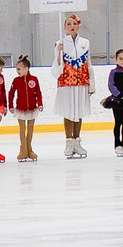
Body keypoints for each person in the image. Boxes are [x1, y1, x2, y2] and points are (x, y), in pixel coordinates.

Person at [51, 15, 92, 159]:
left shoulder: (85, 43)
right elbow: (55, 69)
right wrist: (59, 52)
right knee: (68, 112)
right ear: (64, 27)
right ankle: (69, 142)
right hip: (66, 84)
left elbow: (88, 63)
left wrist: (91, 83)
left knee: (78, 112)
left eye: (74, 23)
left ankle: (77, 141)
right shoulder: (59, 43)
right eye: (69, 24)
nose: (72, 26)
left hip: (81, 83)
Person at [8, 56, 42, 160]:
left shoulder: (34, 79)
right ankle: (23, 149)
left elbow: (38, 93)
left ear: (26, 69)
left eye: (19, 69)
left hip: (32, 108)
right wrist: (10, 105)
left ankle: (29, 148)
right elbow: (11, 93)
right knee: (22, 128)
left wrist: (40, 104)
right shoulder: (16, 81)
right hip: (20, 108)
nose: (17, 71)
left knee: (30, 128)